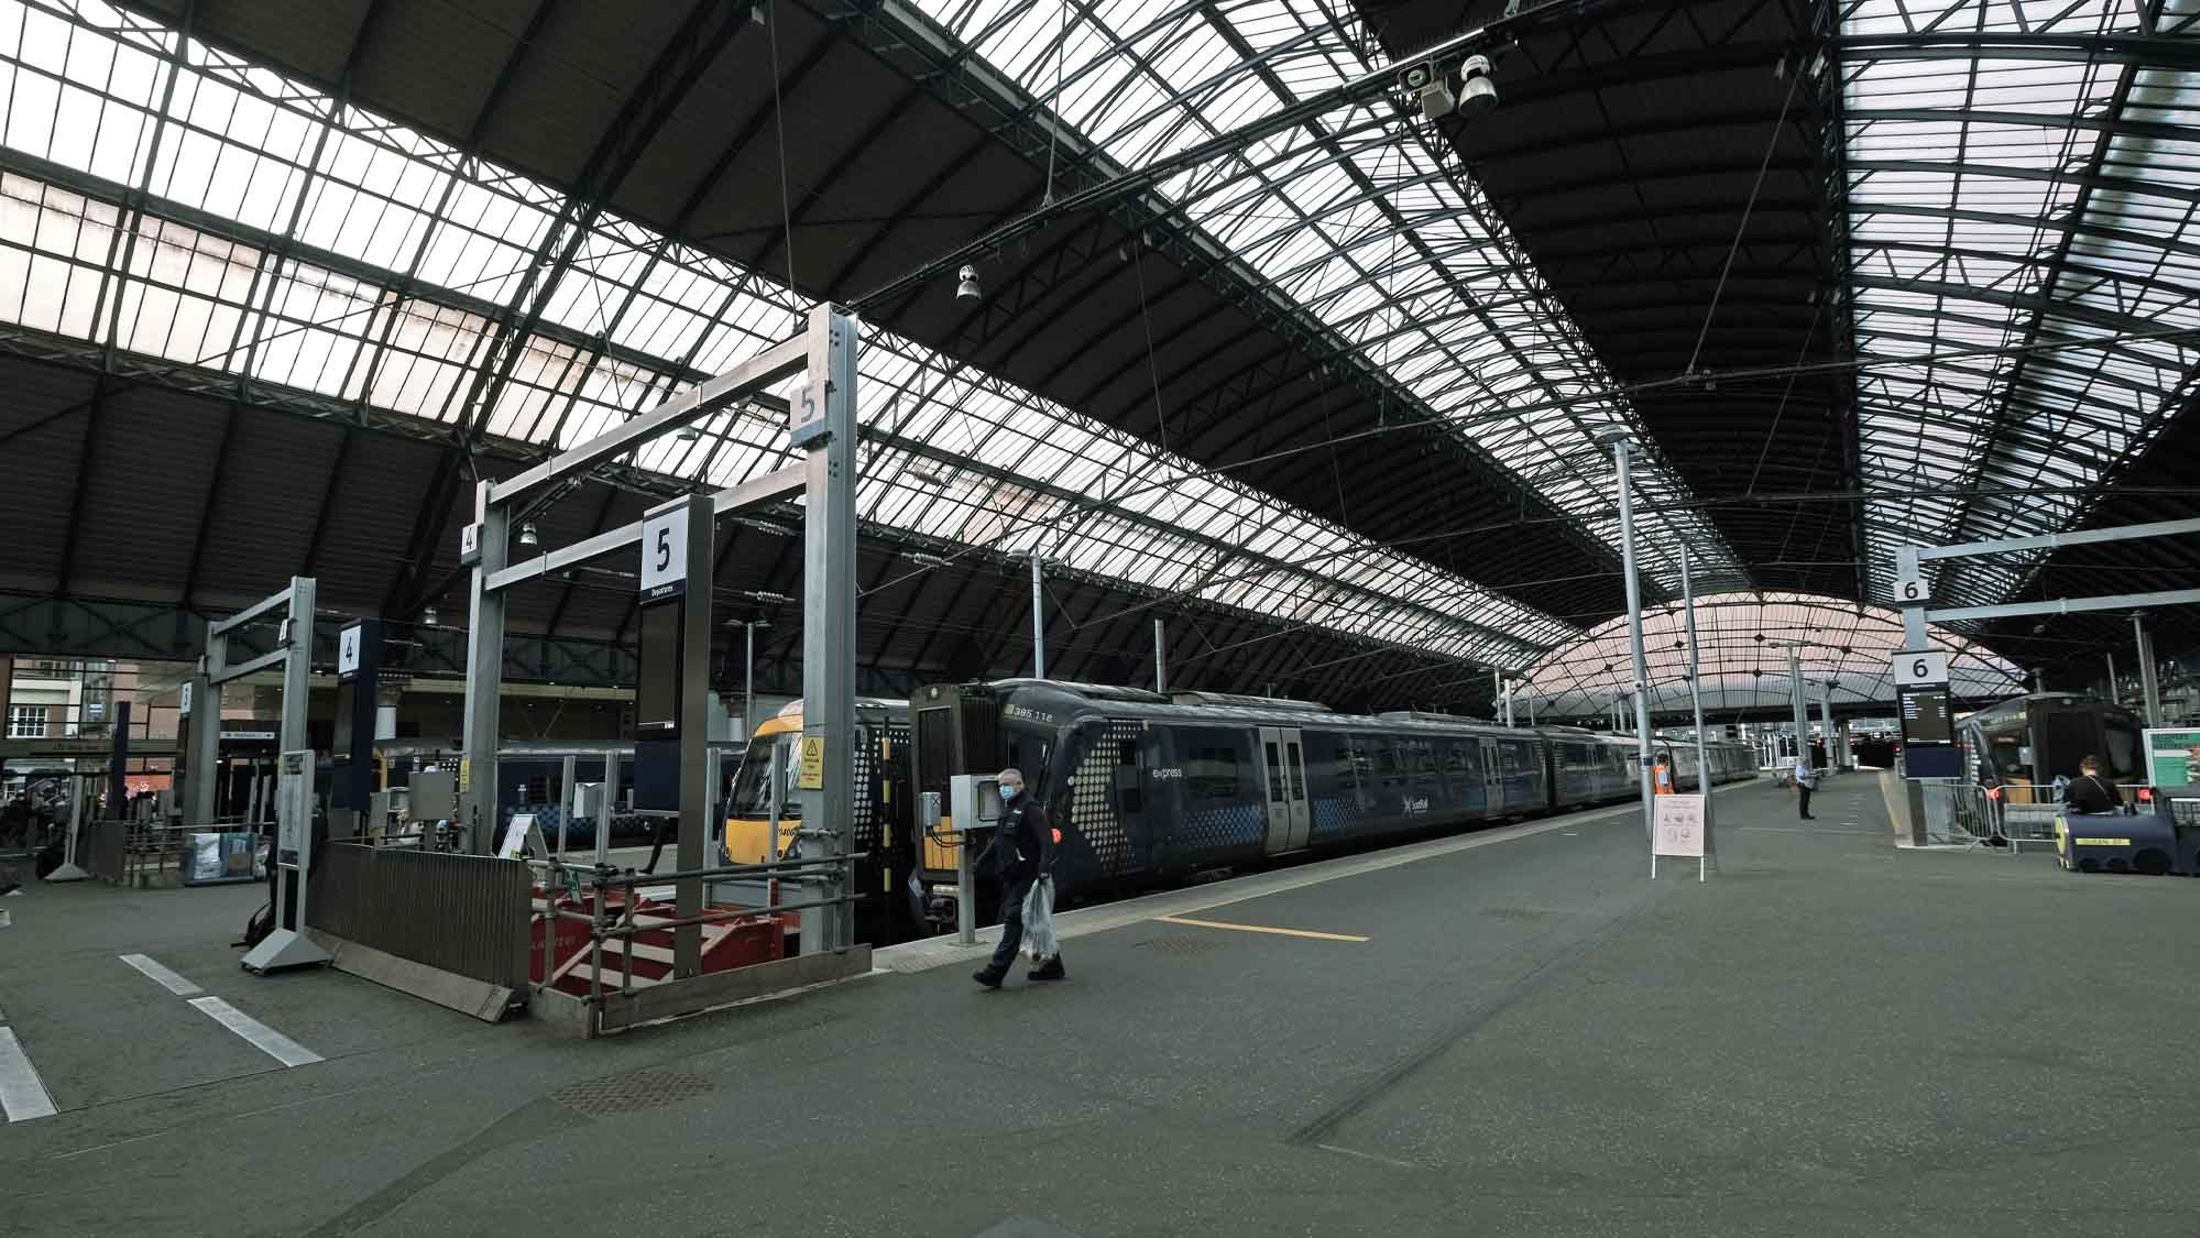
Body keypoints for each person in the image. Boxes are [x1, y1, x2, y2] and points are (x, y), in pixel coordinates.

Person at [973, 767, 1062, 988]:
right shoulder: (1009, 810)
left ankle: (996, 971)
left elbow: (1046, 841)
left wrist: (1043, 870)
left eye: (1006, 784)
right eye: (1000, 785)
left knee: (1014, 919)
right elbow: (998, 841)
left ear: (1019, 785)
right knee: (1037, 921)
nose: (1002, 789)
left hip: (1028, 877)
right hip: (1012, 876)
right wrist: (980, 862)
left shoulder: (1031, 810)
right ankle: (1053, 965)